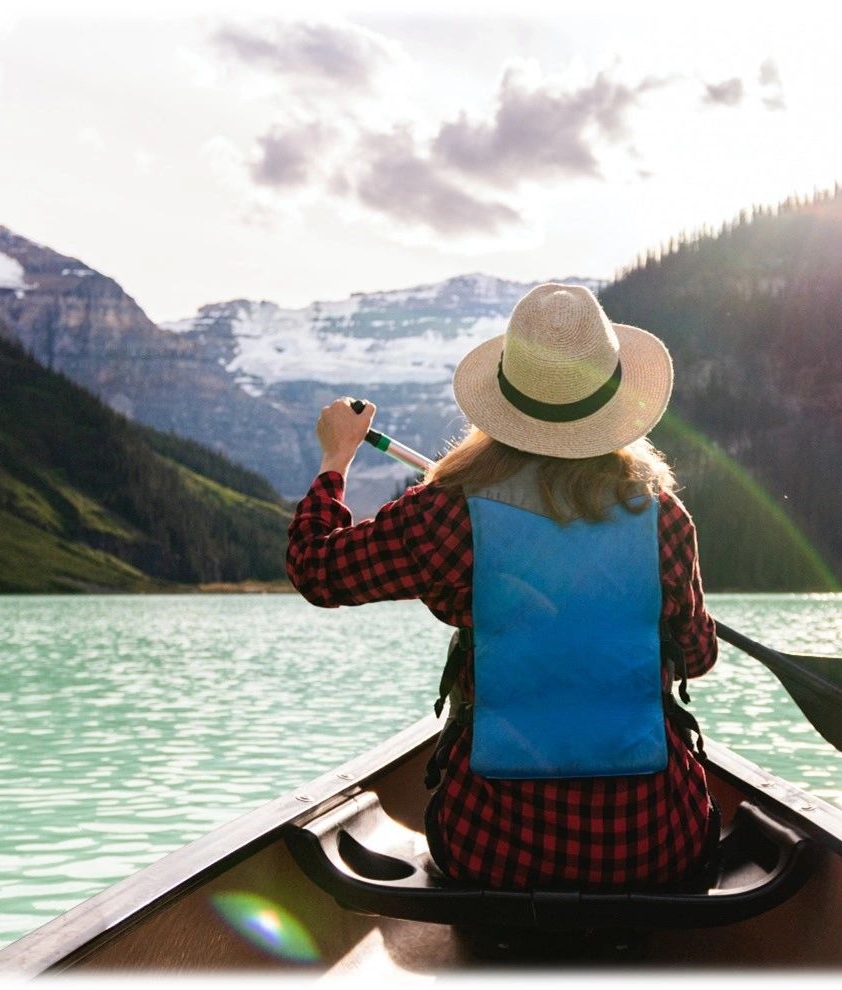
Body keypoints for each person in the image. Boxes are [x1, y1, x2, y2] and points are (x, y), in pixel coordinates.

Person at [287, 282, 718, 891]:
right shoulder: (664, 517)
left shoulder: (443, 513)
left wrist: (336, 460)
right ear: (612, 402)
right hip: (655, 841)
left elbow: (316, 569)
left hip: (494, 848)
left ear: (504, 404)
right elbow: (696, 658)